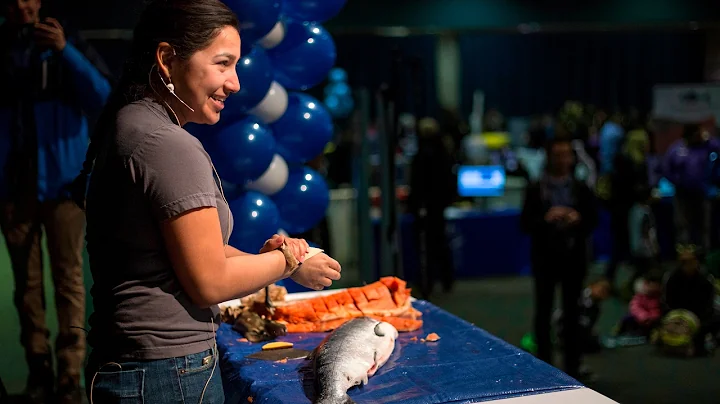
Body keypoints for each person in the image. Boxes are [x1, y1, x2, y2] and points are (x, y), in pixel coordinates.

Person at [74, 1, 342, 402]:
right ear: (167, 59)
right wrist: (289, 262)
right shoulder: (166, 145)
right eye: (223, 63)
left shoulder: (133, 125)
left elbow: (191, 255)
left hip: (137, 369)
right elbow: (209, 281)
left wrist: (263, 260)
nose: (234, 82)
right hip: (167, 375)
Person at [0, 0, 112, 402]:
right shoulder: (3, 48)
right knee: (26, 288)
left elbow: (103, 96)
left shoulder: (67, 40)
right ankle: (38, 373)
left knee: (69, 281)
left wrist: (66, 50)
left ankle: (70, 376)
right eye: (13, 0)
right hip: (15, 188)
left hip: (64, 184)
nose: (22, 6)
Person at [520, 137, 598, 379]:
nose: (563, 160)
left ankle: (573, 367)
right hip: (545, 258)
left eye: (567, 155)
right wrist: (546, 218)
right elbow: (524, 224)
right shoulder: (536, 188)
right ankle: (544, 368)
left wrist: (577, 218)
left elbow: (593, 220)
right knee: (543, 312)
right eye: (558, 155)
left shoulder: (580, 187)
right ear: (549, 158)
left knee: (572, 313)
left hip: (574, 258)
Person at [408, 117, 456, 298]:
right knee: (440, 244)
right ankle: (445, 280)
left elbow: (419, 182)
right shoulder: (443, 151)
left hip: (427, 207)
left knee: (427, 247)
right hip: (437, 206)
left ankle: (427, 283)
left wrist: (416, 204)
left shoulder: (424, 154)